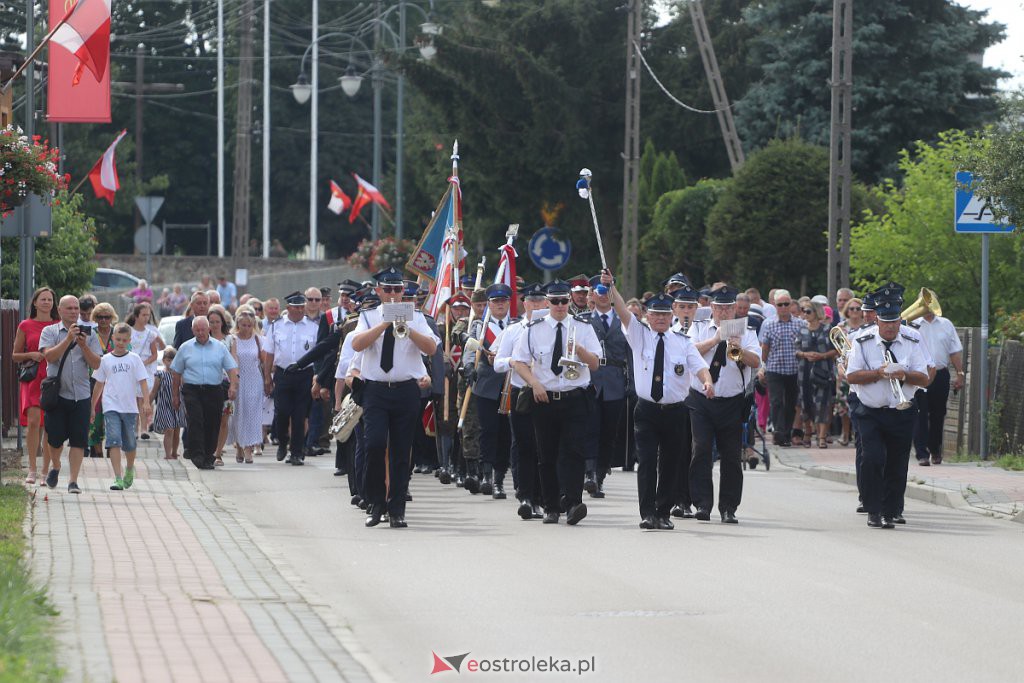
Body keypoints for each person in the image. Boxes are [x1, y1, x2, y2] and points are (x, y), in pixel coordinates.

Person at [606, 274, 713, 530]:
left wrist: (707, 382)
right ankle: (647, 513)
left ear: (671, 315)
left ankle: (663, 512)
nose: (661, 319)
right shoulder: (639, 335)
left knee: (670, 463)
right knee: (646, 462)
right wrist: (611, 287)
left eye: (665, 314)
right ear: (648, 316)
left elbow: (699, 367)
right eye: (656, 314)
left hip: (675, 411)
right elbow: (622, 311)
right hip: (647, 410)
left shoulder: (683, 342)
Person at [349, 267, 440, 528]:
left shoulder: (416, 317)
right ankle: (376, 502)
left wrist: (407, 328)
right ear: (379, 291)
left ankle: (397, 508)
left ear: (403, 292)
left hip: (406, 390)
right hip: (376, 390)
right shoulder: (368, 316)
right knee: (374, 445)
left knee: (401, 451)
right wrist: (384, 324)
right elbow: (356, 345)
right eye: (387, 289)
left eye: (397, 289)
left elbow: (431, 348)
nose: (392, 294)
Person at [512, 280, 603, 526]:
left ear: (569, 301)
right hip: (545, 397)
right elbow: (518, 362)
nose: (560, 305)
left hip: (574, 396)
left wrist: (579, 349)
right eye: (555, 301)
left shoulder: (583, 327)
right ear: (547, 302)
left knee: (574, 452)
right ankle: (551, 506)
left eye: (564, 301)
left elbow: (595, 364)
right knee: (546, 455)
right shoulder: (534, 328)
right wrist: (534, 383)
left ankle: (573, 503)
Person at [845, 288, 930, 528]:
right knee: (872, 458)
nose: (891, 327)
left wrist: (904, 374)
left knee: (897, 463)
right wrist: (877, 373)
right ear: (877, 320)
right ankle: (873, 509)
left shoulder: (912, 340)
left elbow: (924, 379)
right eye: (886, 322)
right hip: (870, 411)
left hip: (901, 411)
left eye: (894, 321)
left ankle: (890, 511)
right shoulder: (862, 341)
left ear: (900, 320)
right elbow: (851, 376)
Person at [686, 285, 762, 523]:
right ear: (712, 307)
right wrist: (715, 339)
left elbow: (755, 361)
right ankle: (702, 504)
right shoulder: (699, 327)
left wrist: (736, 348)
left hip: (731, 401)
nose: (724, 312)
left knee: (731, 455)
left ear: (734, 309)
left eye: (728, 308)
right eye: (719, 308)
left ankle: (729, 507)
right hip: (701, 399)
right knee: (701, 450)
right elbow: (688, 353)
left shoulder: (746, 330)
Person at [493, 284, 548, 519]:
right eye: (531, 301)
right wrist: (512, 362)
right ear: (524, 303)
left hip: (548, 392)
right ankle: (526, 496)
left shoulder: (552, 329)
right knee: (525, 446)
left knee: (545, 447)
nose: (536, 305)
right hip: (522, 392)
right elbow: (498, 362)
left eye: (540, 301)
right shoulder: (514, 330)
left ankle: (543, 497)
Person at [39, 295, 103, 493]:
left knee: (78, 440)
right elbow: (49, 356)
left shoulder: (90, 333)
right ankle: (56, 465)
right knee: (55, 439)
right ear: (59, 310)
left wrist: (83, 345)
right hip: (57, 395)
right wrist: (68, 339)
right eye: (70, 308)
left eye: (76, 308)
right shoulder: (50, 331)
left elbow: (97, 364)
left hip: (81, 395)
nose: (74, 311)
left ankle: (73, 481)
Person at [171, 317, 238, 470]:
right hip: (192, 389)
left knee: (212, 423)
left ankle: (208, 455)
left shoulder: (219, 347)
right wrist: (175, 395)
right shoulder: (185, 348)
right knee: (196, 420)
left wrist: (233, 386)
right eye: (197, 330)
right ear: (192, 331)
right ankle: (197, 454)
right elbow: (176, 373)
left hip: (214, 390)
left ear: (209, 329)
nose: (200, 333)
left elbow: (231, 368)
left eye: (203, 330)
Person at [90, 323, 151, 490]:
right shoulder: (105, 360)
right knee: (114, 440)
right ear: (113, 339)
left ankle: (129, 469)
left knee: (130, 443)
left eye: (124, 340)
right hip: (111, 406)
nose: (121, 343)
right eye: (118, 339)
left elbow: (143, 382)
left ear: (129, 340)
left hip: (130, 408)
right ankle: (117, 477)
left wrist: (146, 402)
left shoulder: (134, 359)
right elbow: (99, 384)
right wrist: (92, 406)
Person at [467, 282, 515, 497]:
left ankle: (499, 479)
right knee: (488, 431)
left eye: (503, 301)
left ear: (509, 303)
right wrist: (469, 366)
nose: (500, 305)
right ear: (489, 304)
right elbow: (471, 349)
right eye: (496, 301)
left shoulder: (516, 325)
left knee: (505, 433)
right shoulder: (480, 326)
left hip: (510, 383)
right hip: (486, 385)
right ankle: (486, 474)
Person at [583, 274, 628, 499]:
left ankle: (600, 475)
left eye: (607, 290)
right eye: (598, 291)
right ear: (592, 294)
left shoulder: (624, 321)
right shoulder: (583, 321)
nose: (602, 295)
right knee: (589, 428)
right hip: (589, 380)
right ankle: (589, 473)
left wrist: (632, 384)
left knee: (609, 432)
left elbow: (632, 354)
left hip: (614, 381)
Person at [265, 292, 320, 465]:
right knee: (282, 412)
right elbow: (269, 353)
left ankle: (296, 452)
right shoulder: (276, 326)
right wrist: (267, 378)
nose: (299, 310)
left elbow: (318, 353)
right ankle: (282, 442)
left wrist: (317, 378)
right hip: (283, 374)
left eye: (301, 307)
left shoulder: (313, 327)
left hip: (305, 375)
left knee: (299, 415)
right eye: (295, 307)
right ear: (288, 308)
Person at [908, 296, 963, 466]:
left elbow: (954, 351)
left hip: (940, 373)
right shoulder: (912, 324)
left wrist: (960, 373)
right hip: (920, 374)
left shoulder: (946, 324)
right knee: (920, 413)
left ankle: (935, 449)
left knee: (938, 414)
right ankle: (921, 453)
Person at [13, 287, 59, 484]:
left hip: (52, 378)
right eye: (43, 299)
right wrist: (31, 354)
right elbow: (15, 356)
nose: (46, 302)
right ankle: (31, 468)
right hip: (32, 379)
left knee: (49, 424)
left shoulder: (58, 325)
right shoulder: (25, 325)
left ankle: (45, 471)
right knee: (33, 422)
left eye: (50, 299)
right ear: (34, 302)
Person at [758, 289, 805, 447]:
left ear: (791, 304)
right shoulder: (769, 323)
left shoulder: (800, 323)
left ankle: (786, 432)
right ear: (775, 306)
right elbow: (765, 347)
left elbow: (805, 345)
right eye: (780, 304)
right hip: (775, 369)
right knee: (776, 401)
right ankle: (778, 432)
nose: (783, 307)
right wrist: (763, 366)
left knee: (791, 404)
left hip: (794, 369)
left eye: (786, 304)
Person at [796, 301, 838, 448]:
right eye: (804, 311)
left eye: (808, 311)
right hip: (804, 370)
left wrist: (822, 356)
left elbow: (836, 350)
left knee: (823, 403)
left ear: (817, 312)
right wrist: (805, 354)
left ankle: (821, 437)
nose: (805, 314)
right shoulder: (802, 330)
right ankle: (808, 432)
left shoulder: (827, 329)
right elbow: (796, 350)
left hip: (823, 369)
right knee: (805, 401)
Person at [228, 307, 267, 464]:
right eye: (243, 325)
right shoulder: (233, 339)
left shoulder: (258, 340)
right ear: (238, 324)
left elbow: (264, 361)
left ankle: (249, 449)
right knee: (238, 414)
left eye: (249, 325)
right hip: (238, 380)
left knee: (252, 415)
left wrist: (268, 380)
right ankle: (239, 445)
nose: (246, 328)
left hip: (254, 381)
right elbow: (231, 361)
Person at [86, 302, 119, 457]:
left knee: (113, 417)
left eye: (107, 317)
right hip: (94, 380)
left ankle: (112, 450)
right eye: (100, 317)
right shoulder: (90, 334)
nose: (104, 320)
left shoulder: (117, 333)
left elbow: (128, 351)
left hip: (114, 382)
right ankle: (97, 452)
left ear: (112, 317)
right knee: (96, 416)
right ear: (95, 317)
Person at [835, 298, 865, 446]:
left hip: (862, 369)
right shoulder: (841, 327)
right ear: (847, 310)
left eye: (858, 308)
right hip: (845, 369)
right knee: (843, 403)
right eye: (851, 308)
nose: (854, 311)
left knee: (860, 402)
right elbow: (838, 351)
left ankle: (857, 433)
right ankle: (845, 432)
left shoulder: (867, 326)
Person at [151, 346, 187, 460]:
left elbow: (184, 390)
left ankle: (174, 452)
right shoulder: (160, 375)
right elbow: (154, 391)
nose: (171, 363)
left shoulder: (180, 375)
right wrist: (148, 403)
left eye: (173, 360)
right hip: (164, 406)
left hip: (178, 406)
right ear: (163, 361)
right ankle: (167, 454)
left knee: (176, 430)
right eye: (168, 360)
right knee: (169, 429)